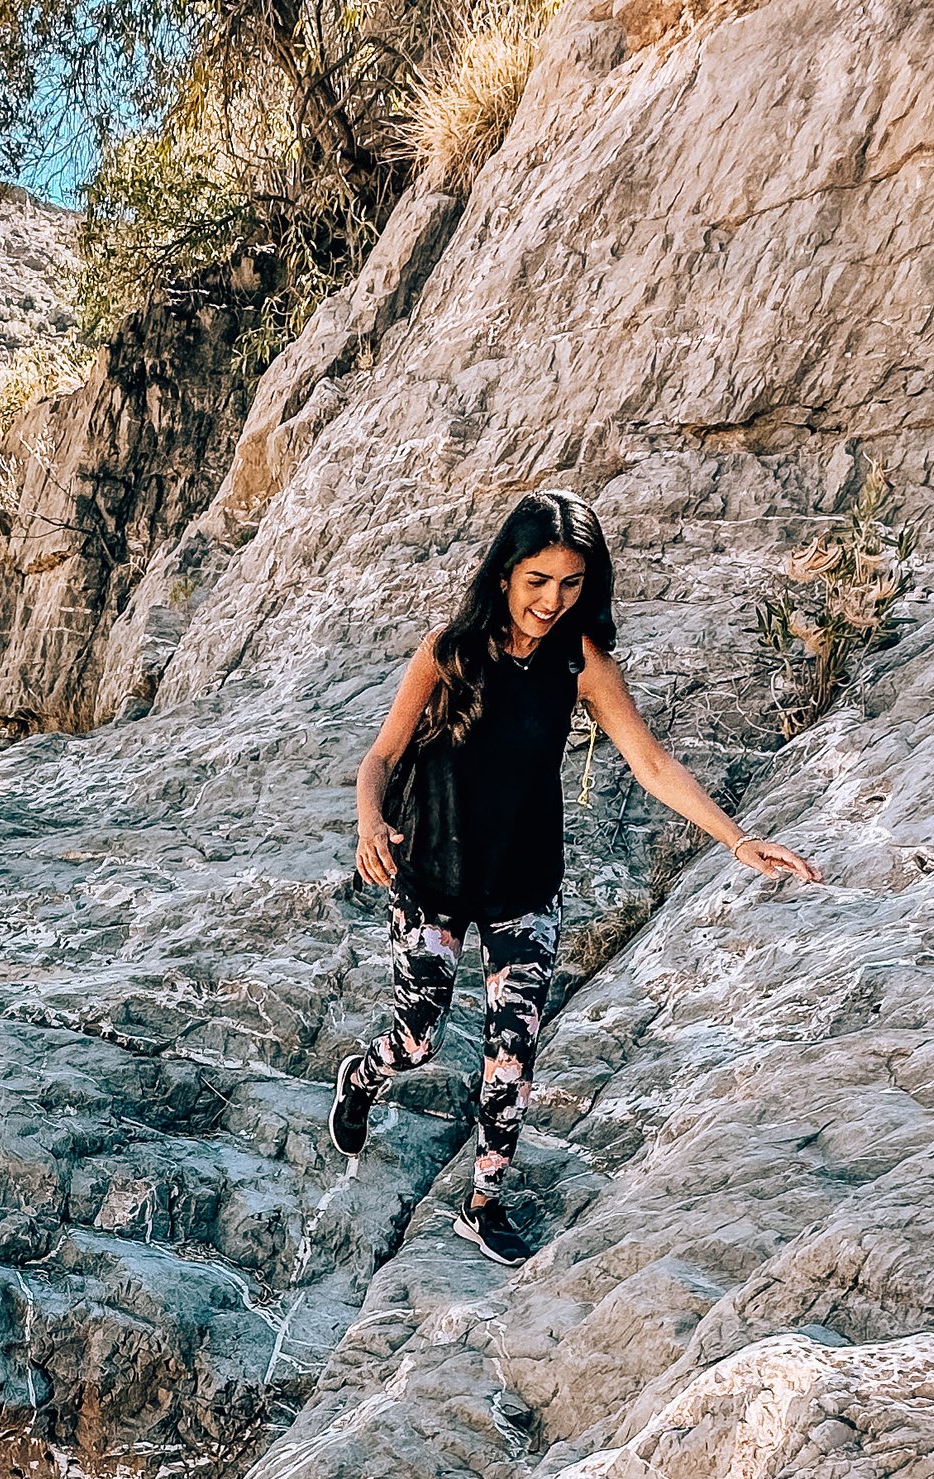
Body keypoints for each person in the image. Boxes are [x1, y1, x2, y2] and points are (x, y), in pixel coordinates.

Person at [335, 488, 817, 1263]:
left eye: (569, 584)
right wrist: (369, 822)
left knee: (511, 1054)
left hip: (525, 885)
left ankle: (484, 1201)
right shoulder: (449, 651)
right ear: (503, 575)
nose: (552, 601)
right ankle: (362, 1077)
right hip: (432, 875)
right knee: (417, 1043)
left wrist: (737, 841)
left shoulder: (581, 664)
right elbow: (382, 757)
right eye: (537, 582)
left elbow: (652, 762)